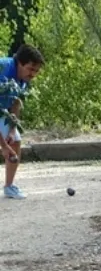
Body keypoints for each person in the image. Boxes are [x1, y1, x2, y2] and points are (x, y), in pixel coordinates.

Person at [1, 44, 43, 200]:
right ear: (19, 63)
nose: (33, 74)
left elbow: (16, 102)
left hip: (2, 111)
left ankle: (9, 187)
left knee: (16, 140)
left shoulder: (24, 78)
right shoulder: (3, 69)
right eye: (31, 69)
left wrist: (12, 129)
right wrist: (3, 146)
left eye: (36, 71)